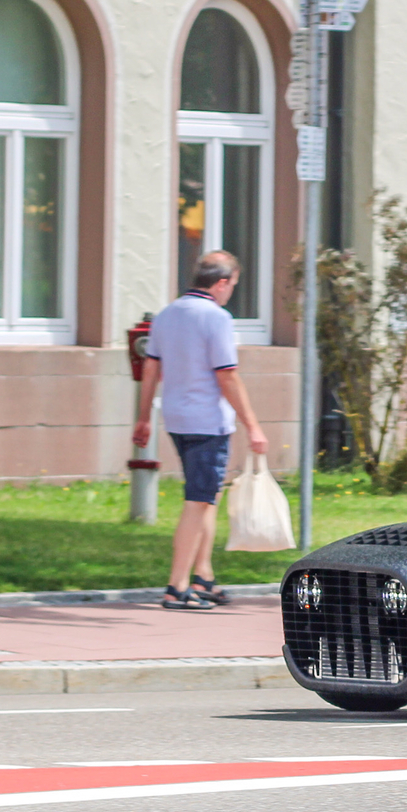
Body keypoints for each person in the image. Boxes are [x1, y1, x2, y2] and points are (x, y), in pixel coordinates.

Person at [130, 251, 268, 611]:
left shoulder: (167, 315)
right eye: (232, 286)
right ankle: (176, 587)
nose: (231, 293)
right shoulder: (217, 318)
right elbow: (227, 375)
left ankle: (203, 576)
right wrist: (253, 425)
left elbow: (150, 371)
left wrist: (143, 418)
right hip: (208, 422)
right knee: (198, 502)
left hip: (176, 418)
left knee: (207, 497)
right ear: (221, 283)